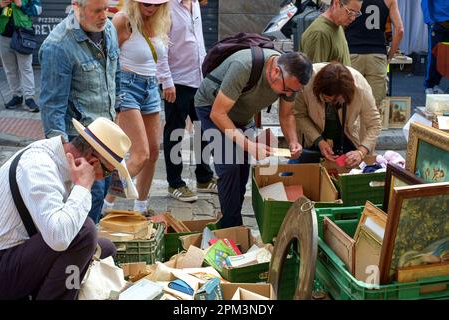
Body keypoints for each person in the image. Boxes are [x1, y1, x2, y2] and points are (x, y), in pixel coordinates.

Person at [0, 117, 136, 300]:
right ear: (93, 161)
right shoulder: (39, 166)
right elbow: (59, 238)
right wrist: (83, 187)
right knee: (85, 233)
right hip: (4, 265)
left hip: (18, 254)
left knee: (105, 249)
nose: (105, 178)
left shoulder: (61, 158)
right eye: (108, 172)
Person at [195, 50, 313, 228]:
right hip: (212, 107)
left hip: (242, 115)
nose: (288, 94)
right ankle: (232, 227)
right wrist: (249, 145)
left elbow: (287, 115)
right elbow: (218, 114)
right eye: (286, 89)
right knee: (230, 165)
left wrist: (293, 141)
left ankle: (231, 216)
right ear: (275, 71)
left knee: (242, 170)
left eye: (293, 91)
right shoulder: (244, 67)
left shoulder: (291, 81)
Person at [39, 0, 121, 224]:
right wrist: (64, 154)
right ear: (77, 8)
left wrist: (118, 113)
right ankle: (80, 255)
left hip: (105, 140)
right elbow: (51, 106)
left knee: (99, 197)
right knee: (85, 208)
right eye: (97, 11)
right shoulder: (58, 46)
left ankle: (89, 251)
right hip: (79, 145)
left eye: (106, 9)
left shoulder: (109, 29)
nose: (104, 16)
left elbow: (116, 75)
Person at [101, 0, 172, 215]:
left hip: (151, 87)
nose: (150, 8)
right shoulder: (123, 19)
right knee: (139, 154)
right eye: (146, 3)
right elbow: (107, 58)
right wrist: (110, 95)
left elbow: (161, 58)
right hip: (127, 84)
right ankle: (104, 205)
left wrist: (167, 81)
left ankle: (140, 208)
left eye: (156, 4)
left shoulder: (162, 20)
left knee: (152, 153)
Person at [160, 0, 216, 203]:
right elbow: (161, 45)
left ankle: (204, 177)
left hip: (199, 78)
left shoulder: (195, 4)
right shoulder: (167, 7)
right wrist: (166, 81)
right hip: (177, 81)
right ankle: (174, 183)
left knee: (203, 127)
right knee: (175, 131)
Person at [294, 62, 382, 167]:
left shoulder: (360, 87)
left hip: (347, 137)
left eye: (335, 100)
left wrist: (361, 152)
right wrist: (319, 141)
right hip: (314, 137)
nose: (329, 102)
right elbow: (299, 115)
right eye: (325, 98)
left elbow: (375, 124)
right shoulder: (307, 80)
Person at [345, 0, 404, 108]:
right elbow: (399, 30)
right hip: (377, 55)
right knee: (374, 108)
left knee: (350, 105)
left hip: (352, 52)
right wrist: (390, 56)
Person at [0, 0, 41, 112]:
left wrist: (21, 4)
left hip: (23, 34)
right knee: (9, 69)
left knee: (26, 68)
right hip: (3, 35)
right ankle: (16, 96)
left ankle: (29, 98)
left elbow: (38, 9)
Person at [300, 0, 363, 66]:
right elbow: (315, 73)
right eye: (350, 12)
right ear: (336, 3)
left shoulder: (338, 25)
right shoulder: (319, 33)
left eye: (356, 14)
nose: (353, 18)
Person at [421, 0, 449, 94]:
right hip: (437, 25)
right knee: (434, 55)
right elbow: (425, 3)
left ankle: (436, 84)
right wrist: (430, 21)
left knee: (445, 56)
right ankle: (429, 85)